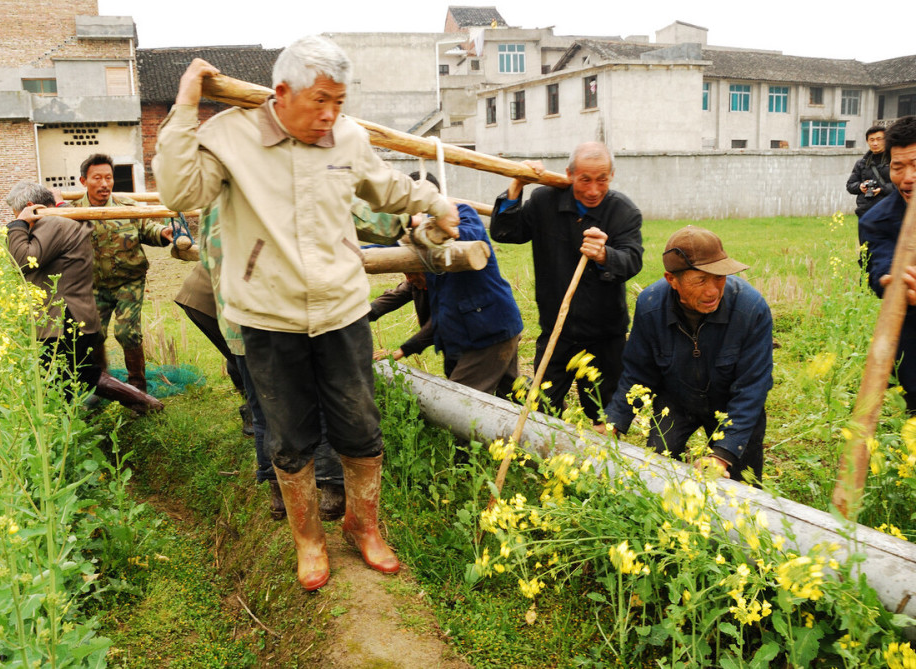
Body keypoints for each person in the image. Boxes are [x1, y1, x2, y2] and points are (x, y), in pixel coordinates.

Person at [153, 35, 459, 591]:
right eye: (320, 100)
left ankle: (363, 527)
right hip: (268, 317)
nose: (330, 114)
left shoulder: (347, 136)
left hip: (342, 311)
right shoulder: (230, 136)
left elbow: (383, 187)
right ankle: (309, 540)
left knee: (360, 428)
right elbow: (178, 190)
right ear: (282, 92)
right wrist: (183, 107)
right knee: (290, 437)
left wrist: (429, 200)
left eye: (339, 101)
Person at [175, 206, 346, 522]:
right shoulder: (270, 196)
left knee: (263, 412)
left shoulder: (220, 203)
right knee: (314, 402)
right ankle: (331, 487)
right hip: (278, 324)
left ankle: (278, 495)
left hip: (240, 326)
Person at [602, 226, 773, 484]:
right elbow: (639, 371)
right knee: (658, 470)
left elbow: (752, 388)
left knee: (743, 488)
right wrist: (613, 421)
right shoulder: (650, 306)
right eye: (701, 280)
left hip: (731, 403)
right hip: (677, 398)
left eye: (719, 277)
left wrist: (723, 454)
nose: (713, 290)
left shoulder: (751, 310)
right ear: (672, 280)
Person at [490, 142, 643, 421]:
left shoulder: (623, 212)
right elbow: (505, 232)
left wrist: (605, 255)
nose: (593, 190)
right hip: (556, 329)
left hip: (605, 334)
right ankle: (543, 461)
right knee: (542, 409)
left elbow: (633, 260)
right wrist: (517, 184)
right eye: (585, 180)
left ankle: (602, 462)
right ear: (570, 174)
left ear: (611, 175)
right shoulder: (544, 201)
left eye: (602, 180)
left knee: (604, 413)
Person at [5, 181, 163, 414]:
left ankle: (147, 404)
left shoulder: (52, 223)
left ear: (31, 206)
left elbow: (23, 261)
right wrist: (58, 203)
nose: (18, 218)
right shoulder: (60, 219)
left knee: (83, 375)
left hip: (65, 317)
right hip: (68, 315)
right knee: (70, 377)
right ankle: (71, 421)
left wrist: (18, 224)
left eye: (17, 213)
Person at [380, 172, 523, 397]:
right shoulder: (410, 234)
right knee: (515, 392)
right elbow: (382, 251)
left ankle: (559, 423)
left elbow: (468, 236)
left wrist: (427, 229)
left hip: (488, 329)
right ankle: (557, 422)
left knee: (458, 404)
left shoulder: (463, 215)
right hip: (472, 333)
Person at [70, 153, 173, 393]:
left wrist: (163, 233)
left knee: (127, 332)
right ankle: (101, 386)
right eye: (97, 178)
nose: (104, 184)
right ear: (84, 181)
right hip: (93, 285)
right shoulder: (72, 213)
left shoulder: (127, 206)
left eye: (109, 177)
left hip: (129, 281)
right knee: (92, 335)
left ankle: (137, 387)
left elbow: (148, 227)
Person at [859, 115, 916, 412]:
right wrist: (892, 280)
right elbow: (878, 264)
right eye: (898, 167)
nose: (907, 178)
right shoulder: (876, 219)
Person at [847, 125, 894, 224]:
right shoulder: (862, 163)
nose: (875, 143)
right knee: (867, 239)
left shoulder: (894, 160)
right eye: (871, 140)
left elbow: (901, 185)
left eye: (879, 139)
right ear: (867, 142)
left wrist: (882, 189)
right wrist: (860, 187)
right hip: (866, 212)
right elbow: (850, 185)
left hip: (889, 210)